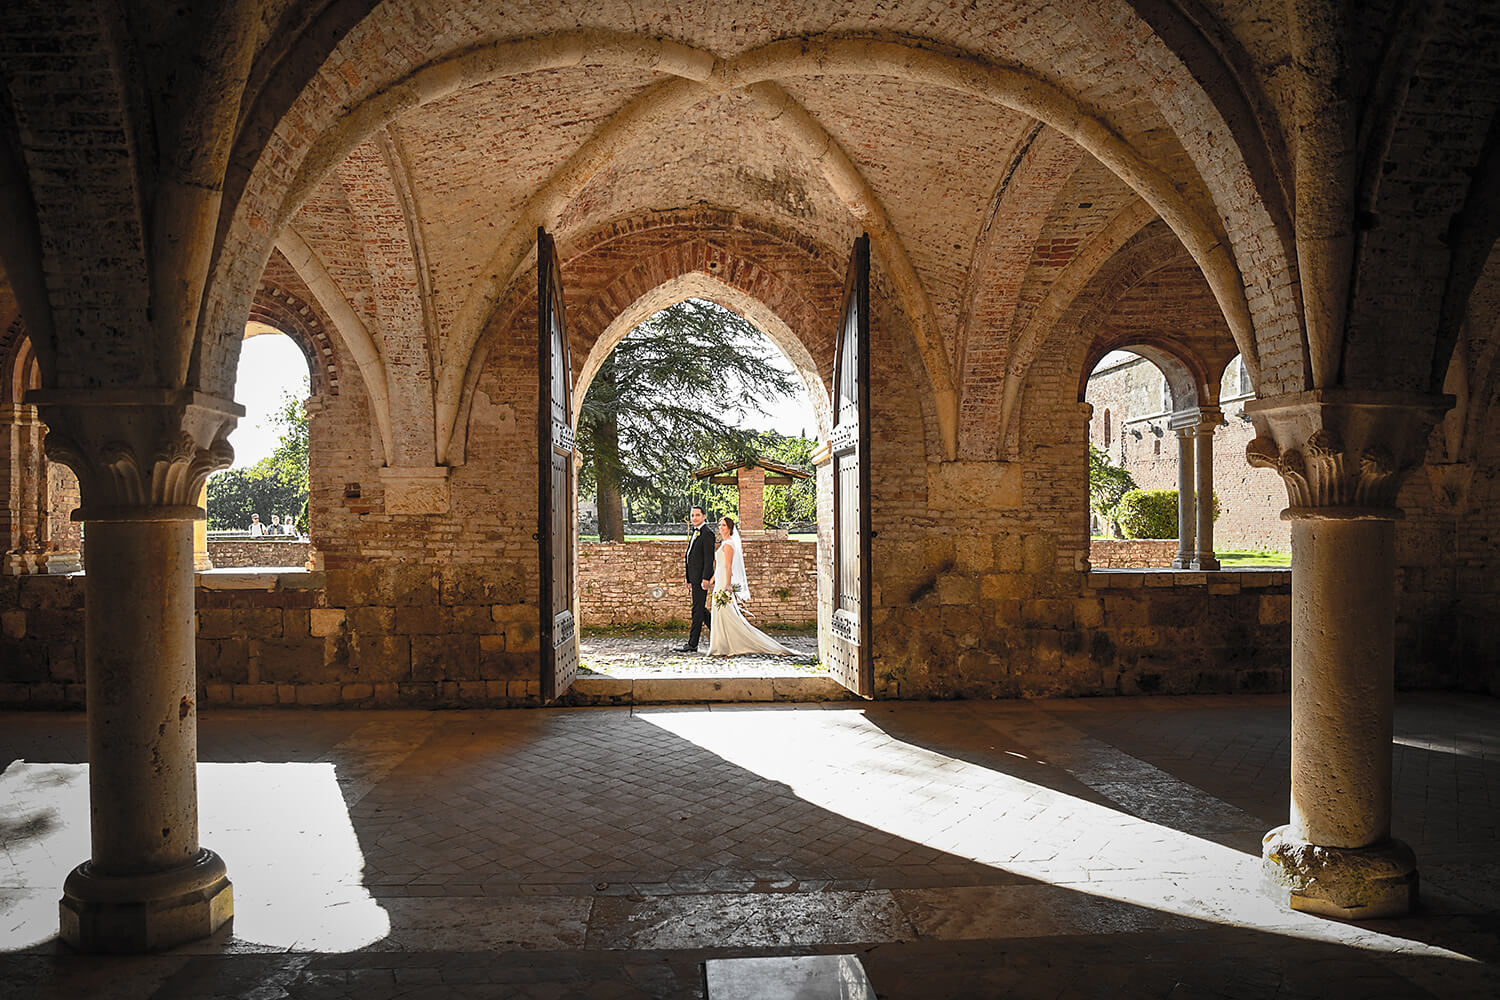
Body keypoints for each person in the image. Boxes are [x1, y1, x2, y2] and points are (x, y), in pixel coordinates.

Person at [707, 516, 798, 657]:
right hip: (718, 582)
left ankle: (730, 643)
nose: (721, 527)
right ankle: (721, 644)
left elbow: (729, 566)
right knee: (720, 614)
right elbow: (719, 566)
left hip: (723, 583)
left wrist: (727, 585)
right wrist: (711, 581)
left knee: (727, 614)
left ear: (730, 528)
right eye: (720, 525)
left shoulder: (729, 545)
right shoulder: (723, 543)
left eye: (724, 525)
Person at [677, 505, 717, 652]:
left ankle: (692, 644)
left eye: (697, 515)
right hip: (694, 578)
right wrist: (688, 578)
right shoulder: (695, 532)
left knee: (697, 610)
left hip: (701, 579)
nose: (694, 518)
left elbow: (708, 559)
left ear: (704, 516)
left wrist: (706, 578)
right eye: (692, 515)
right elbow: (689, 557)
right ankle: (718, 631)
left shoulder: (707, 533)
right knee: (700, 609)